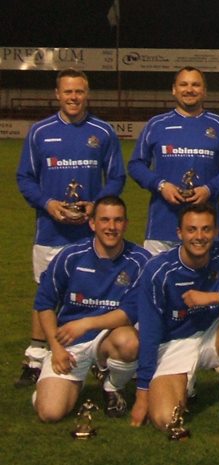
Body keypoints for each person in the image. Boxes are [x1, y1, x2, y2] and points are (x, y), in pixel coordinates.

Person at [16, 68, 125, 387]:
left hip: (91, 235)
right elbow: (25, 178)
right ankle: (36, 357)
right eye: (68, 92)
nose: (73, 97)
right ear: (57, 94)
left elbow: (116, 177)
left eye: (79, 92)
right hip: (51, 232)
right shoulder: (40, 132)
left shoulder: (103, 132)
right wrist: (48, 204)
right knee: (45, 295)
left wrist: (98, 203)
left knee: (93, 293)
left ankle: (97, 356)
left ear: (87, 94)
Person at [129, 203, 219, 432]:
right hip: (171, 346)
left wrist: (215, 297)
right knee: (166, 420)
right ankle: (186, 385)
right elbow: (149, 332)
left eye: (206, 229)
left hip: (210, 336)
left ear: (215, 232)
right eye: (192, 229)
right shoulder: (158, 269)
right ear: (180, 233)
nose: (199, 236)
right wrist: (142, 393)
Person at [32, 196, 149, 422]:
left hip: (109, 338)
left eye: (117, 221)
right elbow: (44, 304)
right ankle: (56, 385)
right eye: (104, 220)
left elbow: (128, 313)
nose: (111, 227)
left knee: (129, 341)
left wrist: (85, 323)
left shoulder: (141, 261)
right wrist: (56, 348)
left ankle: (113, 386)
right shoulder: (70, 256)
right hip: (70, 343)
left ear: (126, 224)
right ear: (92, 223)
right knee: (50, 413)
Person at [128, 66, 219, 255]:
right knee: (158, 283)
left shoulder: (218, 125)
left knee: (204, 284)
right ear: (174, 89)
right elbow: (136, 165)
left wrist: (209, 189)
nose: (189, 89)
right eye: (184, 84)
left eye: (196, 85)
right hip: (162, 227)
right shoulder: (157, 124)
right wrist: (161, 185)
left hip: (205, 227)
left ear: (204, 91)